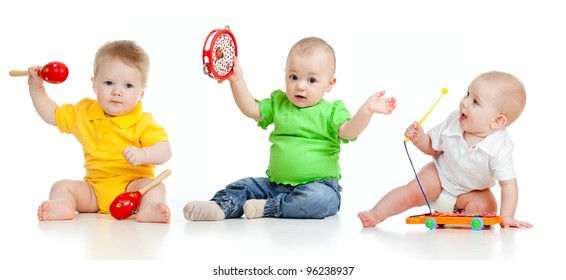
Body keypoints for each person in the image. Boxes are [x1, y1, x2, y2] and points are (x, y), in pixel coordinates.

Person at [184, 36, 397, 221]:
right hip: (275, 185)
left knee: (322, 200)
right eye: (293, 77)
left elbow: (349, 131)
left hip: (319, 185)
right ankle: (221, 207)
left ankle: (268, 208)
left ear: (329, 84)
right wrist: (237, 81)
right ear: (285, 74)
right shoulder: (279, 103)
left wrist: (366, 110)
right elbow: (251, 108)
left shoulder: (331, 112)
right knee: (243, 186)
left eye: (311, 80)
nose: (300, 85)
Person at [358, 71, 532, 228]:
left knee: (487, 207)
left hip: (471, 192)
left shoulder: (499, 147)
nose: (464, 102)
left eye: (475, 101)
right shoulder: (454, 121)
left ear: (497, 121)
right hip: (439, 176)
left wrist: (507, 216)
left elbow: (508, 184)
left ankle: (453, 222)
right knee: (411, 192)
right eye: (467, 94)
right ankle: (377, 213)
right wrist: (420, 139)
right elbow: (433, 148)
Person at [28, 40, 172, 223]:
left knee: (155, 187)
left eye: (128, 86)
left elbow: (165, 150)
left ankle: (149, 208)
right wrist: (37, 88)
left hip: (133, 190)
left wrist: (144, 154)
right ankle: (63, 205)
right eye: (109, 83)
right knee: (61, 186)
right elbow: (52, 114)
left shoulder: (143, 122)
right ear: (94, 85)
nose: (117, 92)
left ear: (141, 93)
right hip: (94, 190)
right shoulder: (84, 112)